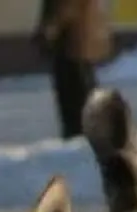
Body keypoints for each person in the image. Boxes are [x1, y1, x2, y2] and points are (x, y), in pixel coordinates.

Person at [34, 0, 113, 140]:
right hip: (80, 38)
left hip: (71, 41)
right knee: (84, 89)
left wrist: (50, 29)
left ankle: (80, 133)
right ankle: (90, 131)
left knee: (75, 92)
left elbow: (66, 6)